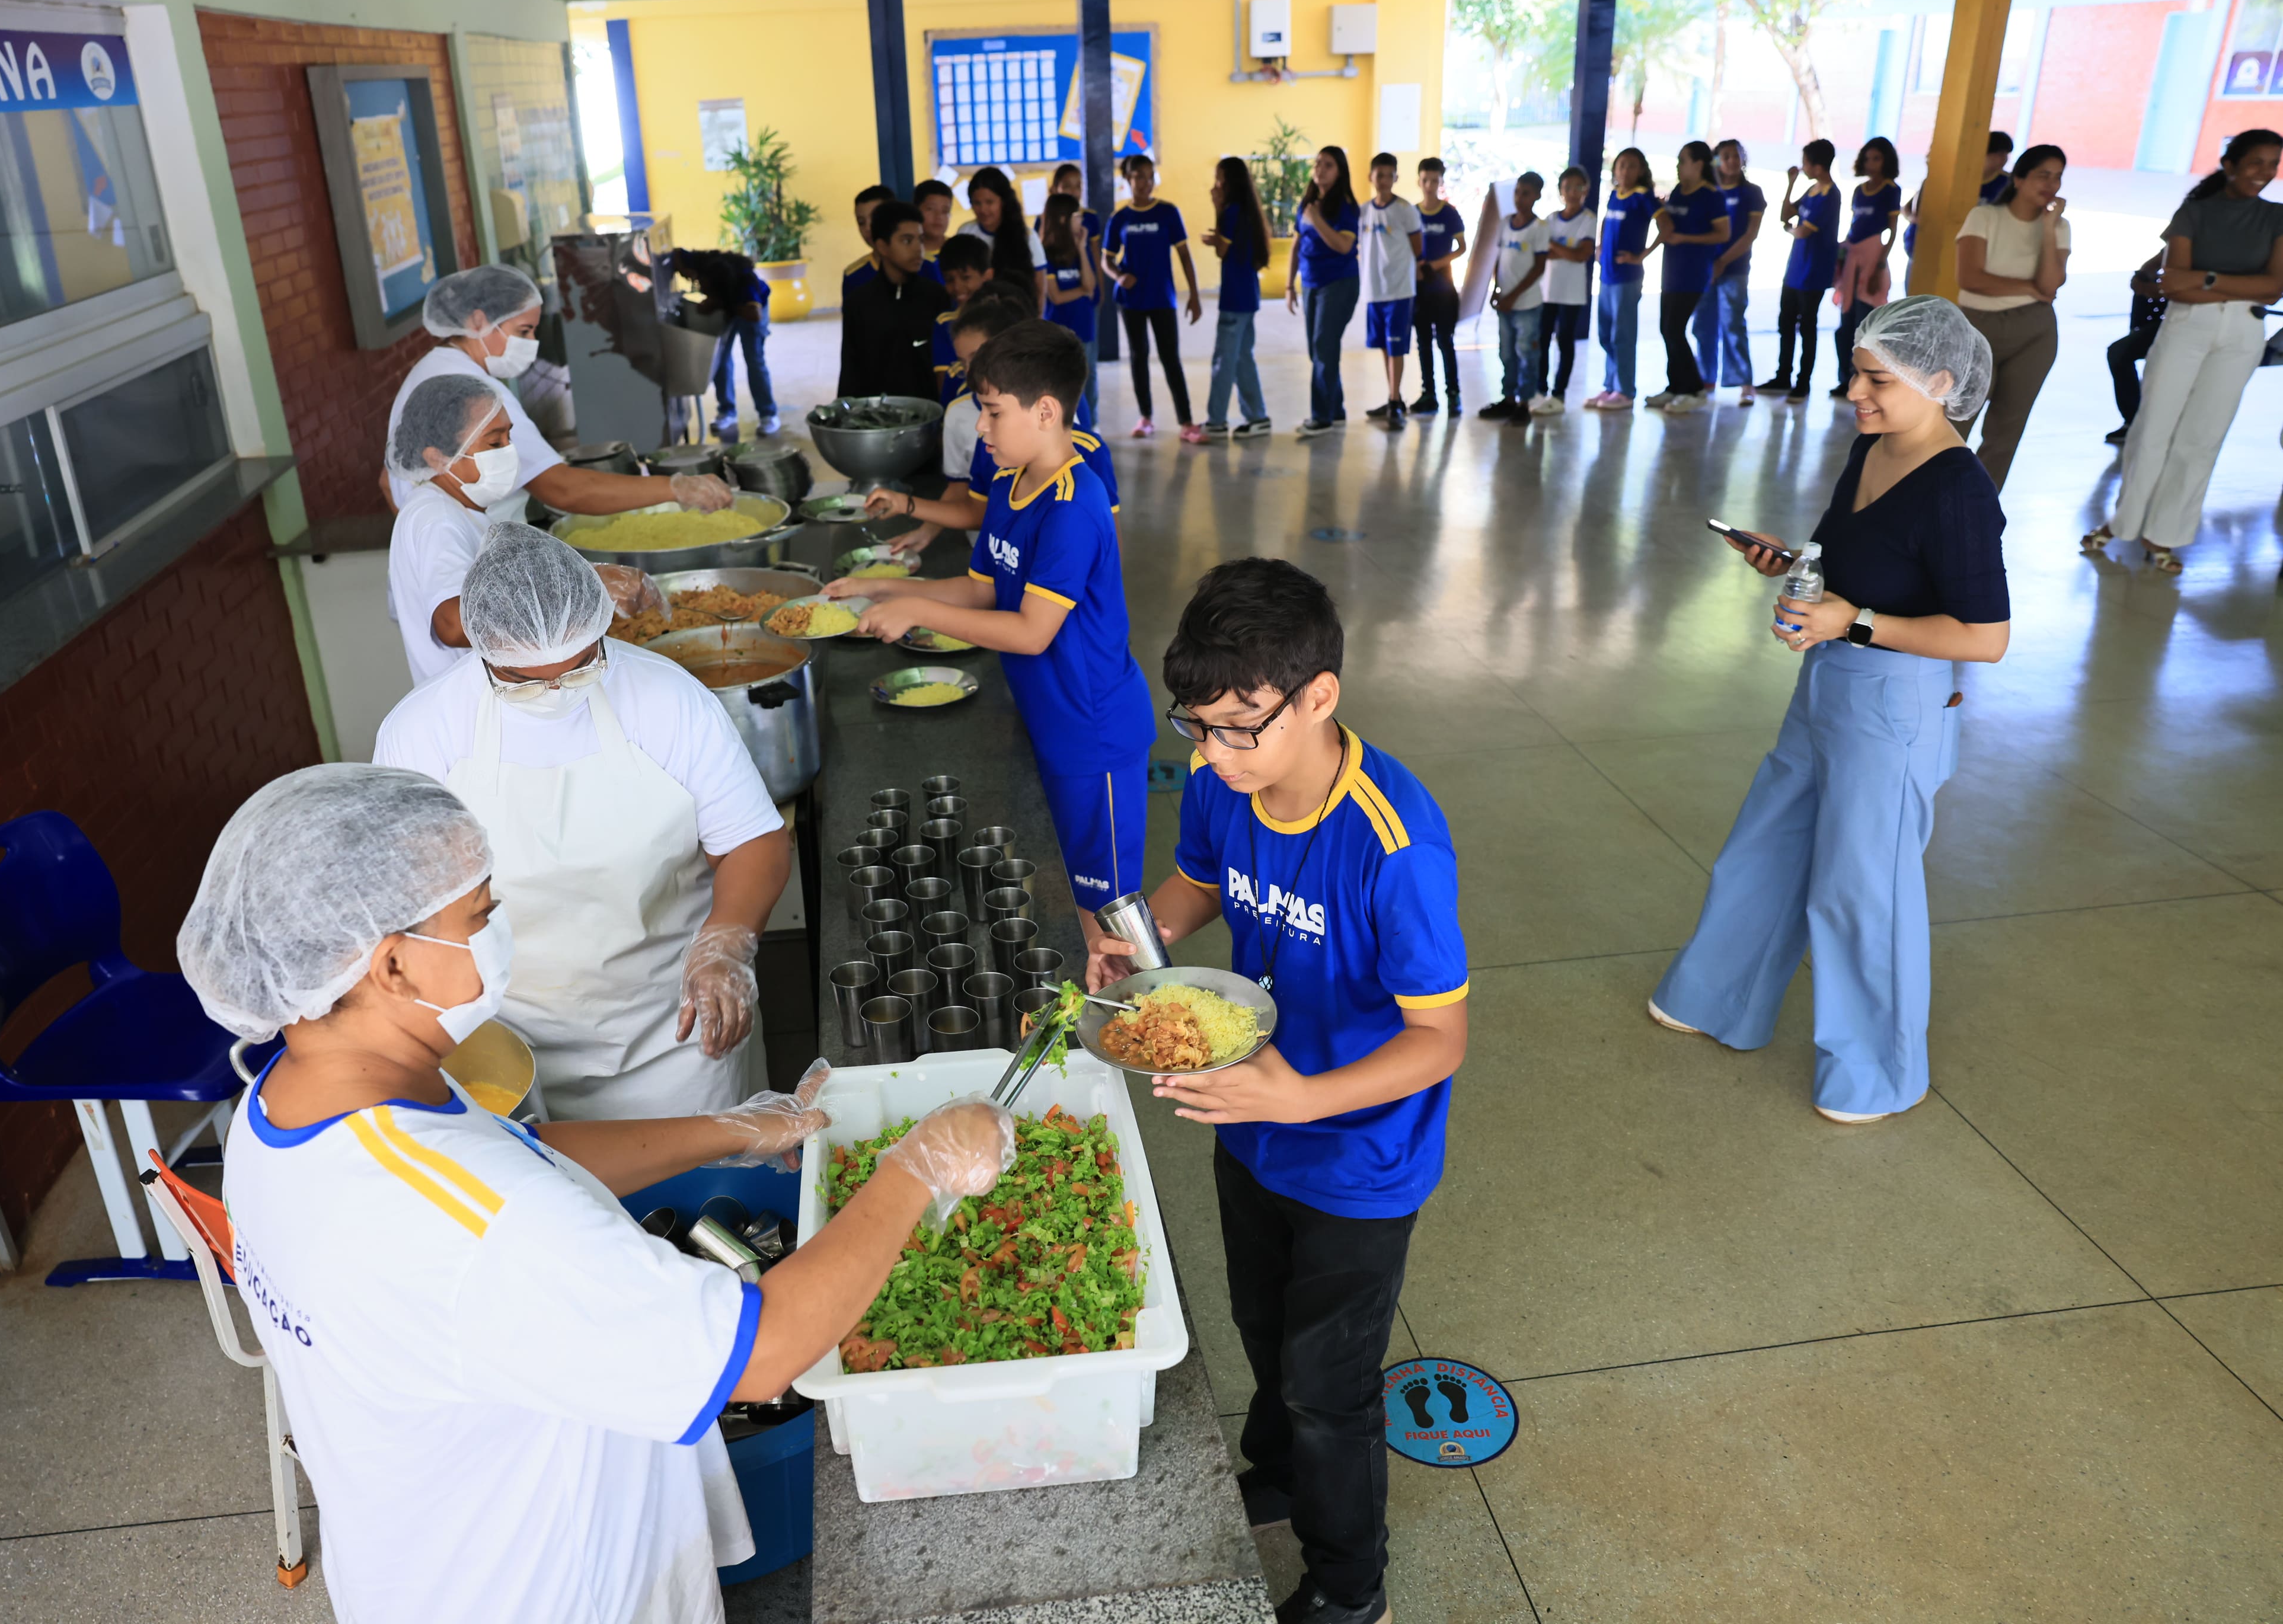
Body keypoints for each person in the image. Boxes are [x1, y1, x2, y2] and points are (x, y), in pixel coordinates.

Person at [180, 760, 1014, 1624]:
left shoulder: (290, 1102)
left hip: (418, 1561)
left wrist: (730, 1129)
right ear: (390, 966)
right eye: (480, 916)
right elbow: (764, 1351)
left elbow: (513, 1152)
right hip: (549, 1594)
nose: (499, 930)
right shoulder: (483, 1231)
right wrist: (917, 1167)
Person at [1080, 558, 1470, 1624]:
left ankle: (1352, 1586)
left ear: (1320, 697)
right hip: (1250, 1115)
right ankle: (1282, 1470)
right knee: (1260, 1317)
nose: (1211, 752)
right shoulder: (1224, 778)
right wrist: (1139, 942)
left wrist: (1302, 1100)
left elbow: (1440, 1036)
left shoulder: (1393, 848)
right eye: (1197, 726)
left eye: (1240, 726)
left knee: (1329, 1383)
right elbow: (1202, 879)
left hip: (1357, 1153)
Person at [1652, 296, 2007, 1124]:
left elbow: (1984, 638)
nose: (1856, 391)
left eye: (1877, 378)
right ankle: (1717, 997)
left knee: (1862, 891)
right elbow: (1845, 560)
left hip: (1894, 705)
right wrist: (1792, 565)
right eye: (1856, 372)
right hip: (1828, 686)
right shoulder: (1874, 447)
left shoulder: (1958, 492)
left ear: (1942, 383)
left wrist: (1859, 623)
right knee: (1764, 848)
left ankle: (1875, 1072)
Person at [372, 522, 792, 1120]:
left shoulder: (667, 698)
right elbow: (406, 904)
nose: (558, 692)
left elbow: (753, 842)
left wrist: (725, 946)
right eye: (526, 679)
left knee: (711, 1203)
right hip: (505, 1046)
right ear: (483, 648)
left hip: (676, 1030)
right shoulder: (420, 733)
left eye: (580, 667)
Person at [829, 322, 1155, 910]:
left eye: (993, 411)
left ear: (1047, 411)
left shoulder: (1072, 507)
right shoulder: (1009, 485)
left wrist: (917, 610)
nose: (981, 427)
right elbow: (983, 591)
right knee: (1060, 895)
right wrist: (877, 589)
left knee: (1107, 913)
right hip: (1045, 719)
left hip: (1093, 733)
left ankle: (1131, 1002)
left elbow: (1031, 632)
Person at [379, 266, 723, 529]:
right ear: (479, 320)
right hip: (473, 587)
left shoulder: (426, 372)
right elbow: (563, 490)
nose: (530, 344)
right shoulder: (473, 394)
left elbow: (388, 480)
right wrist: (676, 488)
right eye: (523, 331)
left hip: (451, 575)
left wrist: (421, 540)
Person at [2093, 129, 2283, 574]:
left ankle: (2166, 534)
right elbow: (2173, 280)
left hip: (2243, 334)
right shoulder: (2194, 213)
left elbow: (2273, 288)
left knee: (2204, 436)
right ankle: (2123, 523)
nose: (2266, 172)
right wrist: (2230, 286)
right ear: (2231, 164)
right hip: (2185, 327)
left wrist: (2208, 279)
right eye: (2256, 162)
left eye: (2274, 164)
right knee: (2152, 427)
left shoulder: (2277, 218)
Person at [868, 286, 1058, 550]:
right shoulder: (964, 418)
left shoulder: (1054, 419)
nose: (971, 372)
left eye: (979, 358)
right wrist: (924, 530)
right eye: (962, 362)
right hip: (990, 555)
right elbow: (969, 499)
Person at [1952, 145, 2070, 489]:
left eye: (2058, 177)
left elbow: (2050, 285)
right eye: (2043, 175)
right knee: (1955, 421)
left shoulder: (2060, 228)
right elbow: (1971, 279)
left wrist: (2048, 227)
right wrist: (2029, 288)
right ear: (2019, 178)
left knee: (2007, 429)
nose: (2051, 183)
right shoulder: (1985, 217)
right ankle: (1930, 502)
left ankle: (1980, 510)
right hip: (1978, 327)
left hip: (2034, 332)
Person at [386, 377, 515, 688]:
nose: (510, 451)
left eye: (509, 438)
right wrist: (563, 600)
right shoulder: (437, 518)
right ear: (437, 457)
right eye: (495, 443)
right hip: (473, 711)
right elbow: (454, 624)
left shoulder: (458, 509)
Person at [1104, 153, 1203, 440]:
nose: (1145, 183)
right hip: (1132, 301)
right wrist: (1120, 276)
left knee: (1171, 357)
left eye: (1150, 177)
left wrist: (1195, 296)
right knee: (1139, 357)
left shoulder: (1168, 213)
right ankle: (1146, 418)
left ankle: (1186, 422)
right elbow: (1106, 260)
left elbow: (1185, 255)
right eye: (1138, 177)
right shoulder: (1119, 218)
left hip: (1162, 298)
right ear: (1128, 180)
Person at [838, 200, 953, 401]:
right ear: (882, 246)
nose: (918, 249)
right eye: (907, 241)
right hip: (878, 416)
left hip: (928, 413)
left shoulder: (936, 296)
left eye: (921, 240)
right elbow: (850, 369)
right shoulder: (859, 303)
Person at [1289, 146, 1362, 438]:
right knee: (1319, 349)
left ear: (1340, 171)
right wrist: (1288, 284)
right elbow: (1297, 244)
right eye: (1318, 164)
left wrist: (1318, 219)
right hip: (1310, 284)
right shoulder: (1308, 202)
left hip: (1339, 284)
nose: (1320, 169)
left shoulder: (1345, 206)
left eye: (1328, 165)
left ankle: (1321, 417)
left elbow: (1344, 246)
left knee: (1323, 346)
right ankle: (1336, 409)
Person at [1651, 141, 1730, 411]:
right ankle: (1674, 387)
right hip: (1670, 271)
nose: (1678, 165)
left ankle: (1694, 390)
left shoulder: (1712, 196)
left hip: (1693, 273)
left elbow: (1723, 234)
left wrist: (1686, 238)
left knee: (1675, 329)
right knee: (1666, 329)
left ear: (1698, 164)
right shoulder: (1679, 192)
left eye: (1683, 160)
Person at [1201, 155, 1272, 440]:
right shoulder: (1247, 210)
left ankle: (1216, 421)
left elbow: (1223, 250)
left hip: (1235, 298)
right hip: (1247, 295)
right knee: (1242, 357)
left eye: (1220, 179)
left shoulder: (1231, 211)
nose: (1216, 185)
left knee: (1224, 359)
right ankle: (1257, 416)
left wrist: (1216, 208)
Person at [1762, 139, 1840, 401]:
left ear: (1818, 166)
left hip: (1814, 271)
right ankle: (1783, 375)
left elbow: (1803, 230)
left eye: (1806, 162)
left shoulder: (1831, 195)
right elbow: (1786, 214)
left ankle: (1803, 382)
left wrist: (1791, 230)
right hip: (1795, 269)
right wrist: (1791, 183)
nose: (1803, 167)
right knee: (1786, 322)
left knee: (1807, 325)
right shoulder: (1812, 191)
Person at [1693, 139, 1768, 405]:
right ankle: (1705, 378)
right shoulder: (1708, 192)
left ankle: (1745, 382)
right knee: (1702, 325)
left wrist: (1723, 261)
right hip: (1704, 269)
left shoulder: (1753, 193)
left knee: (1733, 324)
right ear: (1716, 161)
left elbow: (1751, 234)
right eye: (1725, 157)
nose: (1732, 161)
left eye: (1736, 156)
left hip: (1734, 268)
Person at [1355, 152, 1423, 431]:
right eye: (1378, 174)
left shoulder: (1406, 210)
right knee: (1385, 345)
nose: (1383, 180)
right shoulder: (1363, 211)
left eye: (1388, 175)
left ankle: (1395, 401)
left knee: (1396, 346)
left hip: (1399, 290)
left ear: (1396, 177)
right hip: (1375, 290)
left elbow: (1418, 248)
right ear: (1370, 177)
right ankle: (1392, 396)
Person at [1830, 138, 1902, 397]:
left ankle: (1864, 380)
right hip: (1853, 257)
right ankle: (1844, 378)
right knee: (1845, 325)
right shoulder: (1860, 190)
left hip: (1873, 259)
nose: (1872, 164)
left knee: (1865, 324)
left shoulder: (1891, 190)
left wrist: (1879, 265)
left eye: (1877, 159)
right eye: (1868, 159)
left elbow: (1892, 233)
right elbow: (1854, 224)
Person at [679, 248, 775, 440]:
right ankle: (727, 412)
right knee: (720, 358)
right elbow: (676, 254)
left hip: (751, 309)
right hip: (729, 304)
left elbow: (753, 315)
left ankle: (768, 415)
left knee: (754, 360)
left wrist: (718, 304)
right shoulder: (706, 264)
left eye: (706, 288)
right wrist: (687, 272)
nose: (701, 289)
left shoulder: (745, 283)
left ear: (720, 288)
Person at [1480, 172, 1550, 427]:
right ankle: (1508, 398)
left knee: (1527, 355)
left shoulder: (1539, 228)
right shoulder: (1506, 223)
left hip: (1527, 305)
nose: (1520, 198)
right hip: (1506, 304)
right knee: (1506, 353)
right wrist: (1498, 291)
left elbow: (1538, 268)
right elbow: (1501, 260)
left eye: (1527, 193)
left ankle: (1524, 403)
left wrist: (1513, 296)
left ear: (1538, 196)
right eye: (1518, 192)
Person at [1590, 148, 1658, 409]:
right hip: (1607, 275)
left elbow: (1666, 227)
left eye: (1631, 166)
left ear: (1641, 170)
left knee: (1623, 335)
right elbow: (1607, 224)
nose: (1625, 171)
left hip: (1627, 278)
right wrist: (1599, 246)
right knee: (1606, 334)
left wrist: (1642, 255)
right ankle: (1611, 386)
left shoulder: (1642, 198)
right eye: (1621, 166)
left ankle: (1626, 391)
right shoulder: (1614, 196)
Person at [1536, 165, 1597, 415]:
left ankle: (1559, 394)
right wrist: (1563, 250)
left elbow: (1581, 255)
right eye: (1567, 188)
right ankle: (1539, 390)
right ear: (1560, 191)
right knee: (1541, 340)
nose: (1572, 193)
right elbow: (1543, 253)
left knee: (1566, 342)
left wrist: (1554, 245)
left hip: (1572, 293)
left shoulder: (1588, 220)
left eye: (1578, 188)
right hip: (1548, 291)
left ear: (1586, 191)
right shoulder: (1551, 219)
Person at [1905, 130, 2013, 269]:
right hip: (1924, 247)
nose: (2003, 160)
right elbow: (1909, 207)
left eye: (2006, 155)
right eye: (1998, 155)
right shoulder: (1952, 177)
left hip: (1969, 252)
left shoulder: (2007, 183)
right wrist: (1915, 219)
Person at [1039, 193, 1102, 426]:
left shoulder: (1079, 250)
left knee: (1089, 378)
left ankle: (1091, 427)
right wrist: (1082, 291)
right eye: (1077, 216)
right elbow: (1056, 296)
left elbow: (1091, 285)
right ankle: (1068, 429)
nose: (1081, 222)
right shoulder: (1047, 252)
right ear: (1064, 219)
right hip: (1059, 332)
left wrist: (1083, 248)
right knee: (1064, 384)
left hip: (1084, 328)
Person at [1410, 156, 1465, 417]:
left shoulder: (1449, 213)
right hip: (1419, 289)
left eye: (1435, 181)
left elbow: (1462, 248)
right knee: (1423, 343)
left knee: (1445, 341)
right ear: (1419, 181)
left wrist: (1438, 264)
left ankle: (1453, 394)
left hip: (1443, 289)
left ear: (1441, 183)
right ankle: (1428, 393)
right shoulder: (1412, 213)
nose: (1429, 186)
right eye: (1425, 180)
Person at [2103, 251, 2169, 445]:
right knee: (2119, 352)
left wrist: (2155, 289)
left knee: (2122, 353)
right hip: (2169, 319)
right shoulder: (2180, 239)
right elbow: (2153, 264)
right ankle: (2133, 421)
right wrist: (2144, 278)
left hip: (2191, 319)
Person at [930, 234, 997, 404]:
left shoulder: (1003, 317)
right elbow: (944, 384)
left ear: (988, 275)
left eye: (966, 278)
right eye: (950, 280)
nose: (957, 287)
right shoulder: (944, 323)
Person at [959, 165, 1043, 285]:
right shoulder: (965, 232)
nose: (983, 210)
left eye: (990, 202)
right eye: (977, 203)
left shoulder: (1028, 236)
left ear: (1003, 202)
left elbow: (1040, 289)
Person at [839, 183, 903, 297]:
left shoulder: (923, 266)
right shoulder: (854, 276)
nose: (868, 228)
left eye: (875, 217)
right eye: (861, 222)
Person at [912, 177, 957, 264]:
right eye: (930, 209)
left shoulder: (958, 251)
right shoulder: (904, 254)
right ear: (916, 211)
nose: (939, 216)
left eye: (945, 211)